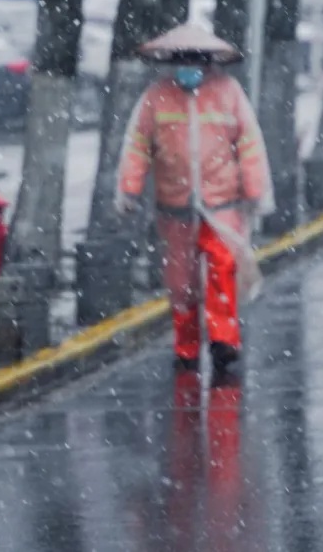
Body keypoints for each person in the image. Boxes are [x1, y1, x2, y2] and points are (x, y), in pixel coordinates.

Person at [116, 21, 272, 377]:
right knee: (180, 281)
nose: (190, 68)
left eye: (196, 60)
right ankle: (186, 347)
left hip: (221, 205)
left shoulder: (228, 92)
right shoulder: (156, 97)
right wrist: (129, 188)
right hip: (175, 206)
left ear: (208, 62)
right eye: (183, 60)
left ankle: (223, 341)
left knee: (221, 270)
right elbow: (138, 146)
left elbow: (248, 144)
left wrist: (254, 190)